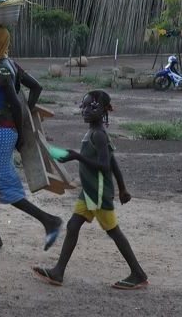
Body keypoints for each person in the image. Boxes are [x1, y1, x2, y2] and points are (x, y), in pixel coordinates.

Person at [32, 90, 148, 290]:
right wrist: (123, 188)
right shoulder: (93, 133)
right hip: (89, 192)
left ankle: (138, 274)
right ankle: (58, 272)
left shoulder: (99, 135)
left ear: (104, 110)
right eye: (83, 106)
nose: (85, 110)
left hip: (99, 192)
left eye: (91, 107)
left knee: (114, 232)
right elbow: (113, 162)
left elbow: (105, 166)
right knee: (72, 226)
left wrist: (77, 156)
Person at [0, 26, 62, 251]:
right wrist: (24, 115)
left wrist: (21, 130)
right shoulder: (7, 64)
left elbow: (15, 102)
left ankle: (49, 221)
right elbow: (36, 87)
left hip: (4, 132)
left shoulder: (1, 68)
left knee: (2, 186)